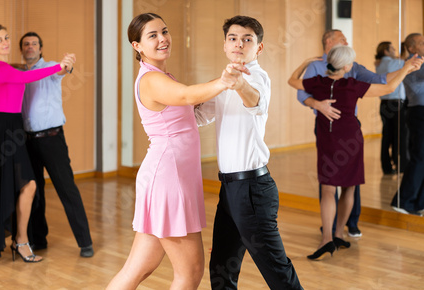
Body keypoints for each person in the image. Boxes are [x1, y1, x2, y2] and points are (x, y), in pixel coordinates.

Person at [105, 13, 245, 289]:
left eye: (164, 31)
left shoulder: (160, 75)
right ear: (137, 46)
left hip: (170, 176)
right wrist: (225, 80)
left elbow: (189, 109)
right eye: (152, 35)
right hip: (168, 180)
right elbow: (187, 96)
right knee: (190, 273)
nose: (162, 39)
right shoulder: (150, 80)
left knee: (138, 269)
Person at [195, 16, 303, 289]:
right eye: (233, 38)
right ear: (224, 45)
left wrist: (238, 83)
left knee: (276, 270)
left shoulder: (257, 77)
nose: (239, 44)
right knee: (221, 267)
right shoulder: (223, 83)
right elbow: (197, 116)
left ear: (259, 47)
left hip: (253, 189)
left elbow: (255, 100)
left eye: (247, 39)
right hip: (229, 190)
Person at [0, 23, 74, 263]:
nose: (5, 42)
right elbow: (28, 76)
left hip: (12, 128)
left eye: (6, 37)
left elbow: (18, 73)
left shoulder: (1, 67)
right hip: (3, 130)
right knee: (21, 185)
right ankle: (19, 241)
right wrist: (60, 66)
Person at [288, 45, 421, 260]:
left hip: (327, 139)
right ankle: (339, 233)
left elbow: (292, 81)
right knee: (349, 188)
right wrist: (406, 69)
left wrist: (305, 63)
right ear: (347, 66)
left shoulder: (317, 83)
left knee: (329, 189)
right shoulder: (353, 86)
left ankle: (328, 239)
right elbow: (388, 88)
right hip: (350, 140)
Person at [296, 29, 394, 238]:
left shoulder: (346, 71)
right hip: (330, 129)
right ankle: (333, 230)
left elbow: (381, 79)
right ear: (330, 42)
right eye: (342, 39)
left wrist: (404, 68)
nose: (346, 41)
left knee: (342, 183)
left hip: (341, 130)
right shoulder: (326, 71)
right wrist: (318, 104)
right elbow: (301, 93)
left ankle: (342, 228)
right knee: (337, 183)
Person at [18, 32, 94, 258]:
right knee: (34, 191)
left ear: (40, 49)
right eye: (26, 44)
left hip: (52, 139)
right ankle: (38, 239)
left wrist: (67, 65)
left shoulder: (50, 68)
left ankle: (85, 242)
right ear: (22, 50)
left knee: (66, 189)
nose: (30, 47)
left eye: (34, 44)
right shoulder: (20, 74)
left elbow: (63, 69)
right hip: (27, 141)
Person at [391, 33, 424, 215]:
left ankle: (418, 203)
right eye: (422, 43)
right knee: (420, 157)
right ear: (411, 48)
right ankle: (403, 201)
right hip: (419, 112)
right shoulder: (413, 63)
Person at [374, 41, 408, 174]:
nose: (395, 51)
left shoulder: (380, 64)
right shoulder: (391, 63)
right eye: (392, 49)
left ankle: (387, 167)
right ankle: (402, 165)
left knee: (387, 135)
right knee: (400, 135)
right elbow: (406, 61)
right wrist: (405, 49)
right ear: (386, 51)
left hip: (384, 104)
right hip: (396, 103)